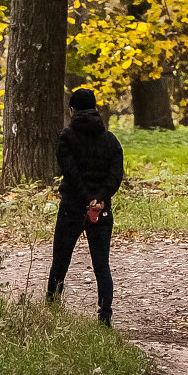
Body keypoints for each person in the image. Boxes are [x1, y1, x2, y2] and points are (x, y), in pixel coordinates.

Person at [46, 89, 124, 327]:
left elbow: (70, 173)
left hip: (72, 207)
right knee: (102, 264)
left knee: (60, 260)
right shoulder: (111, 140)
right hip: (102, 210)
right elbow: (115, 174)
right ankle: (105, 315)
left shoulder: (66, 137)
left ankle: (51, 308)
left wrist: (86, 198)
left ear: (73, 110)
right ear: (95, 109)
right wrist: (99, 199)